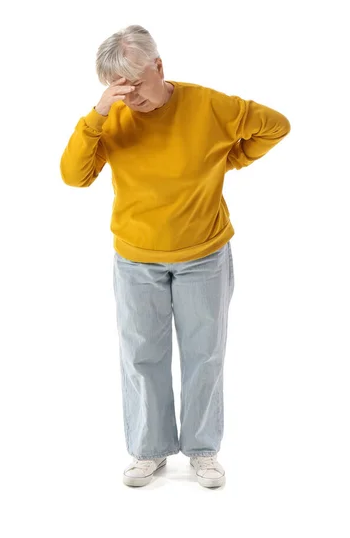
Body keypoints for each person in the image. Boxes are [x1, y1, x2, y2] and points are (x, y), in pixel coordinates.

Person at [59, 24, 291, 489]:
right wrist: (97, 114)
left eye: (136, 85)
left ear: (158, 66)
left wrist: (230, 159)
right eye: (117, 90)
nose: (131, 99)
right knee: (142, 356)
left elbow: (275, 125)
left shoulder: (207, 105)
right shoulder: (110, 119)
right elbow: (74, 176)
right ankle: (149, 450)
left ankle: (203, 450)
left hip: (203, 254)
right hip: (136, 259)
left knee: (205, 355)